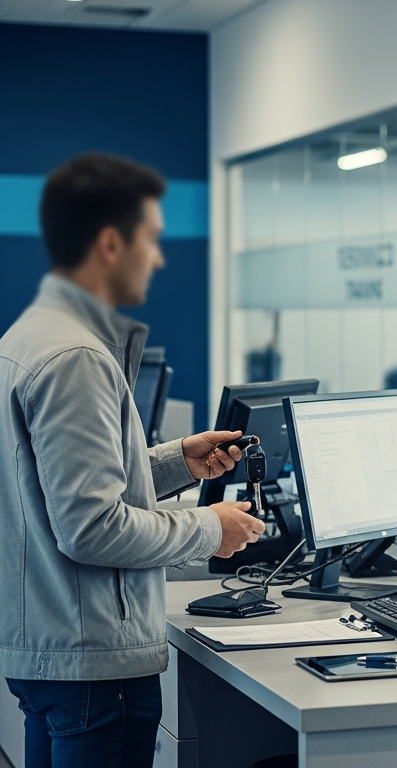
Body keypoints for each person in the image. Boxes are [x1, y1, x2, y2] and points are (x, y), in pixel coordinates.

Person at [0, 153, 266, 768]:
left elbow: (51, 487)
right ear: (110, 244)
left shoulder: (33, 335)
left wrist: (177, 460)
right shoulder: (76, 357)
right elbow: (90, 526)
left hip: (50, 646)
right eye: (151, 240)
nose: (159, 258)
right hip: (92, 659)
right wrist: (210, 529)